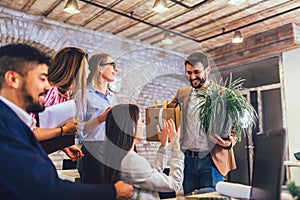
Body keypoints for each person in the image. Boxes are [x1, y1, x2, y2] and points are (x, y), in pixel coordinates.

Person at [0, 43, 133, 199]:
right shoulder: (6, 125)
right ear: (13, 79)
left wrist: (63, 144)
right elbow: (46, 188)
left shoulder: (12, 121)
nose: (47, 86)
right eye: (42, 78)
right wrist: (112, 192)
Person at [168, 52, 237, 194]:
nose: (192, 77)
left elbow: (235, 127)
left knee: (211, 197)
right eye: (189, 73)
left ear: (208, 70)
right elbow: (167, 112)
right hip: (188, 159)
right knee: (188, 197)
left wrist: (230, 142)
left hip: (211, 160)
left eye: (196, 72)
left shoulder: (224, 94)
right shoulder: (182, 93)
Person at [102, 104, 184, 199]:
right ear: (130, 126)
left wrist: (163, 146)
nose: (143, 125)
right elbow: (174, 184)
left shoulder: (121, 157)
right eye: (141, 121)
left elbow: (150, 177)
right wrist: (176, 147)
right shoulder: (132, 161)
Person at [77, 53, 118, 183]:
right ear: (99, 68)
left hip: (111, 149)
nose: (115, 69)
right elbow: (77, 129)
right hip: (92, 150)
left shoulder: (112, 97)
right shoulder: (83, 95)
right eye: (112, 65)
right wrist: (102, 118)